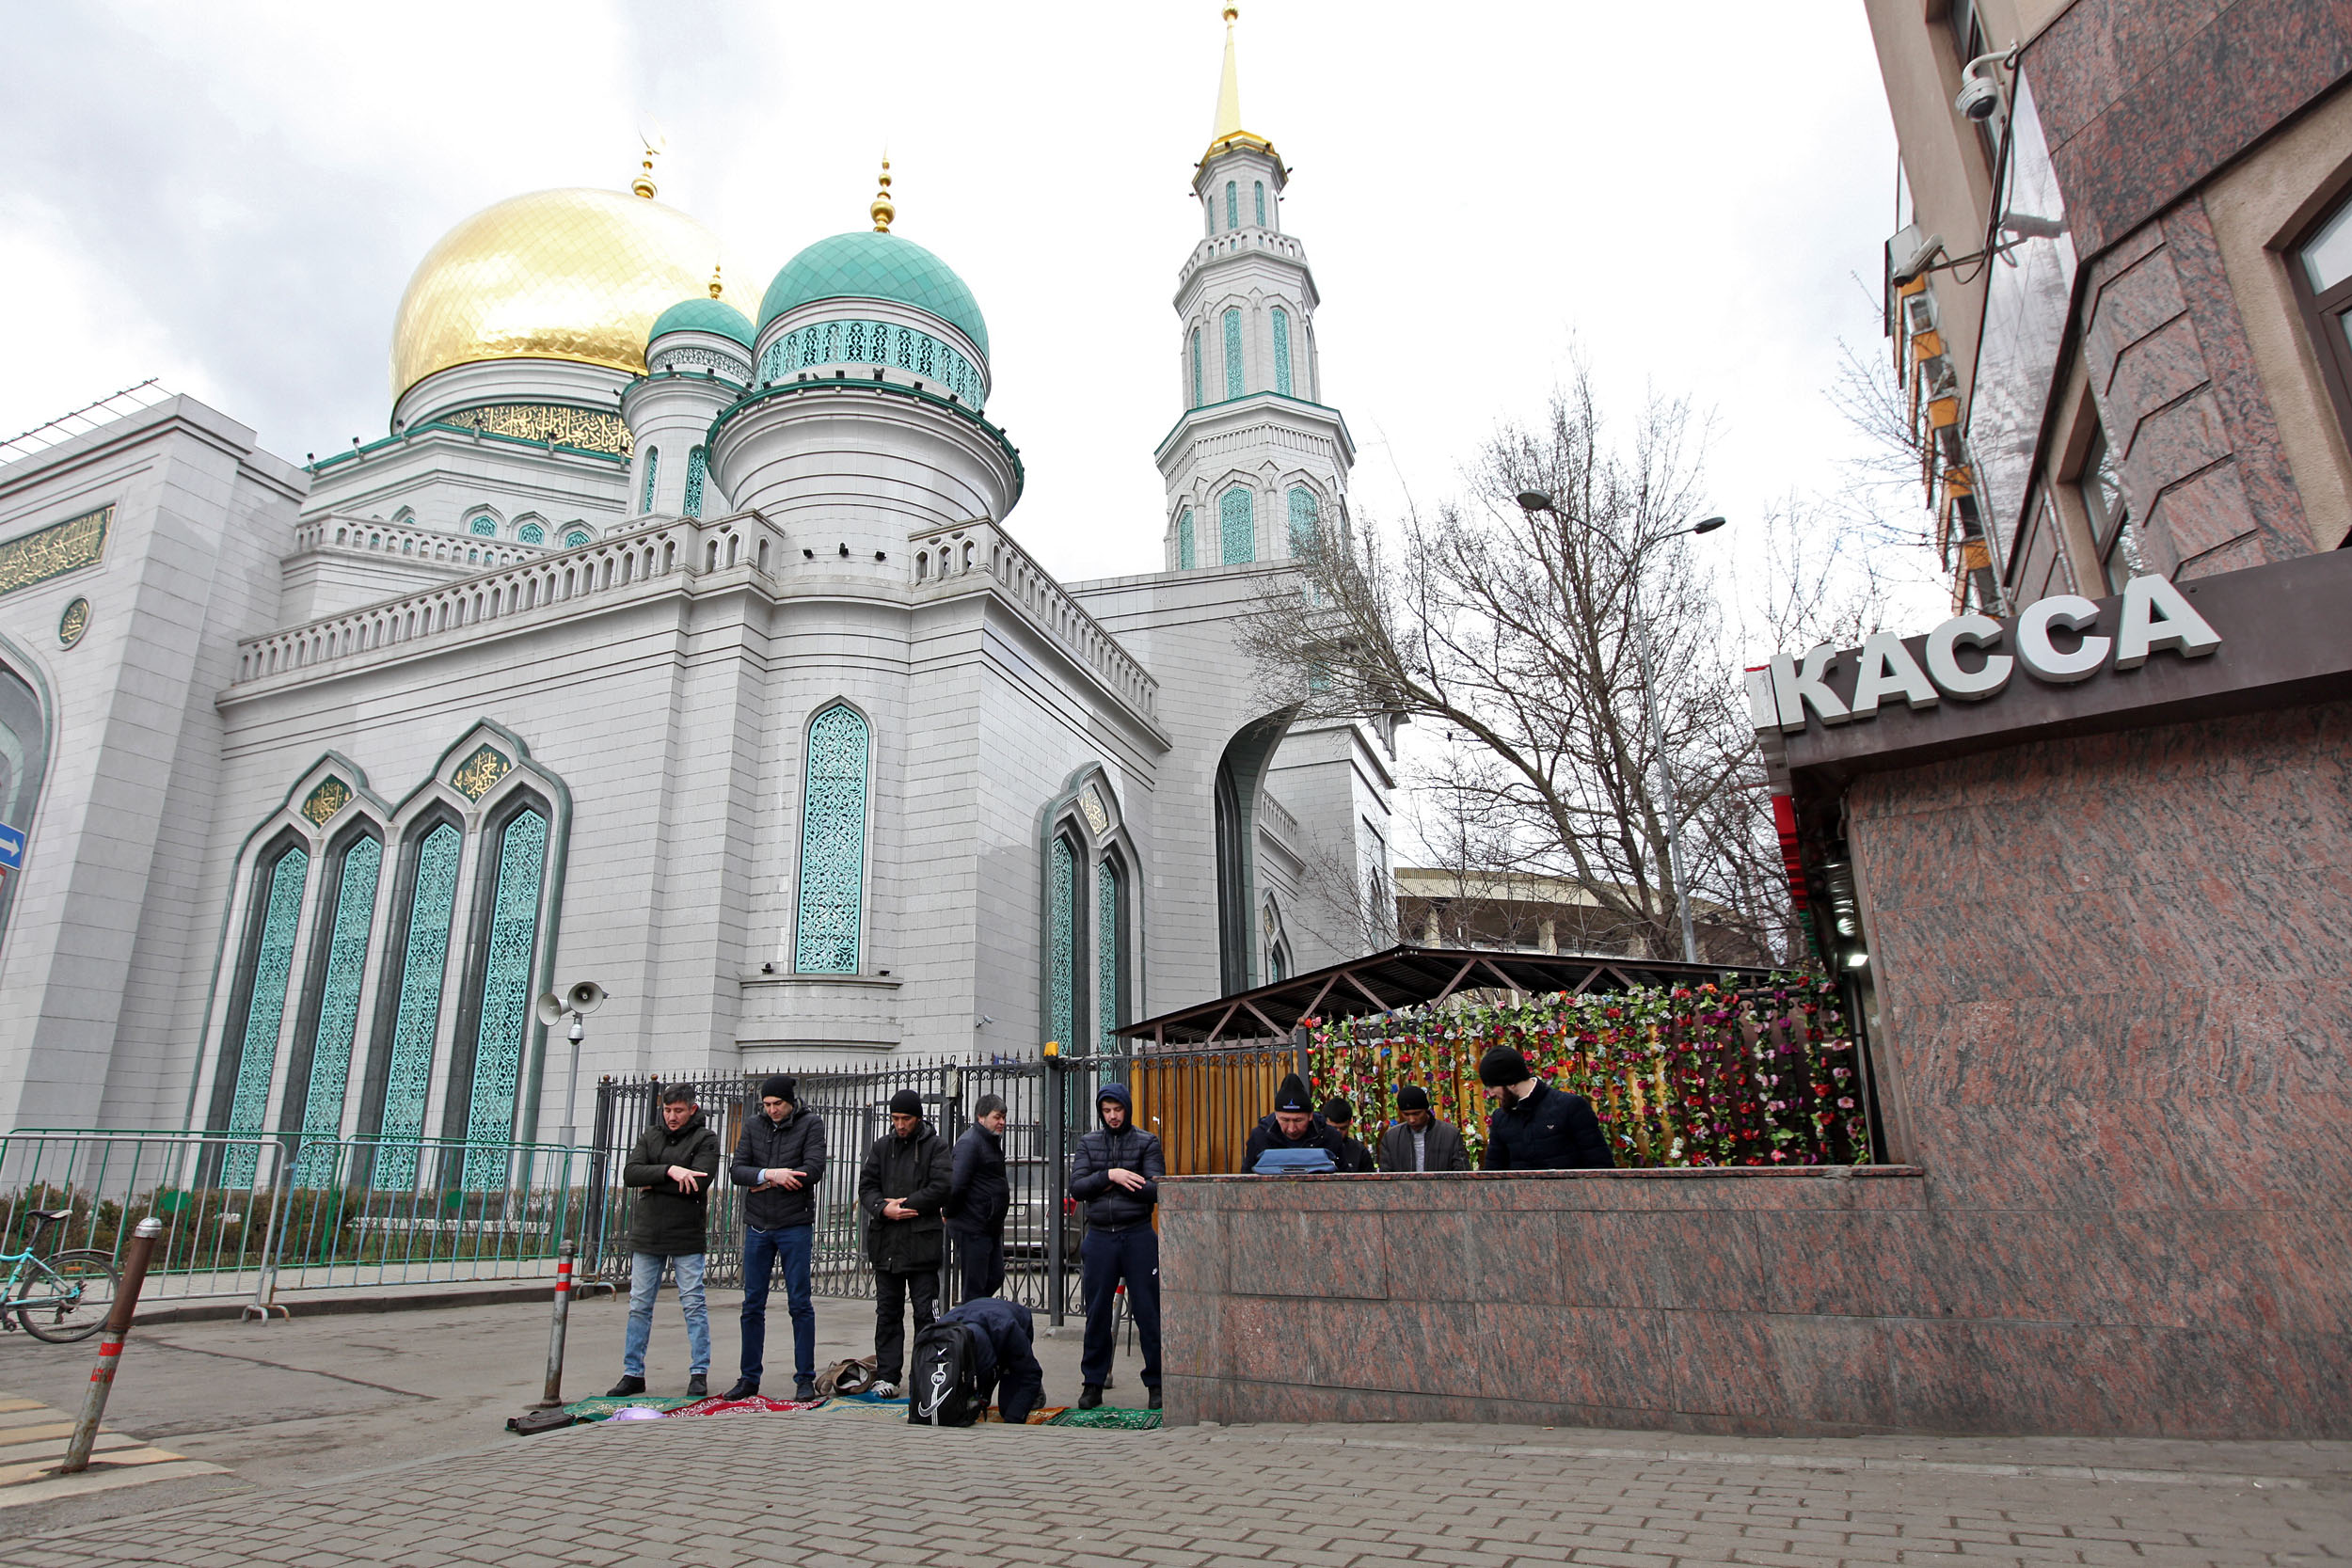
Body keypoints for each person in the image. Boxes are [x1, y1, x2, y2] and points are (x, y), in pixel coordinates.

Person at [610, 1084, 720, 1398]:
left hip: (686, 1233)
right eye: (668, 1110)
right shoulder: (650, 1136)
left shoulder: (706, 1139)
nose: (672, 1117)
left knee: (693, 1303)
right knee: (639, 1305)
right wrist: (671, 1171)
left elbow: (699, 1182)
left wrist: (653, 1182)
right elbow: (631, 1174)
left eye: (679, 1111)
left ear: (692, 1110)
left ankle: (699, 1372)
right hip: (648, 1235)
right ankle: (633, 1373)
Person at [723, 1074, 827, 1402]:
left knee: (799, 1303)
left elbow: (812, 1170)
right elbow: (737, 1169)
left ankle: (804, 1379)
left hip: (794, 1224)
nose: (772, 1110)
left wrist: (763, 1180)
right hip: (757, 1226)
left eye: (777, 1104)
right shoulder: (754, 1125)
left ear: (790, 1102)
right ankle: (748, 1377)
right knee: (752, 1304)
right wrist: (771, 1175)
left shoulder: (811, 1124)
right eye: (767, 1105)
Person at [1066, 1083, 1164, 1412]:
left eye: (1117, 1110)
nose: (1112, 1117)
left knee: (1149, 1313)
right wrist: (1112, 1174)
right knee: (1096, 1313)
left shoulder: (1147, 1141)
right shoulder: (1088, 1143)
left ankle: (1157, 1383)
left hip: (1137, 1234)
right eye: (1106, 1111)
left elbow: (1155, 1188)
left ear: (1127, 1109)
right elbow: (1077, 1188)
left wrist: (1120, 1181)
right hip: (1100, 1237)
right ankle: (1093, 1382)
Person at [858, 1087, 950, 1398]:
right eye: (895, 1118)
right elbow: (867, 1185)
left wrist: (906, 1203)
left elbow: (942, 1186)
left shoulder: (935, 1147)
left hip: (921, 1246)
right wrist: (883, 1208)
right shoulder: (882, 1147)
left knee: (926, 1313)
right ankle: (887, 1375)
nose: (900, 1125)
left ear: (918, 1118)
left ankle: (927, 1374)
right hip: (887, 1245)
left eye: (906, 1119)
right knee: (888, 1313)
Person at [1478, 1046, 1613, 1169]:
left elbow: (1600, 1165)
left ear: (1511, 1082)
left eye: (1492, 1087)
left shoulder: (1570, 1107)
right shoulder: (1501, 1118)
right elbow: (1493, 1175)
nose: (1490, 1094)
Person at [930, 1294, 1046, 1424]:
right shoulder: (944, 1334)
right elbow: (922, 1371)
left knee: (1009, 1408)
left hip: (1009, 1324)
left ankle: (1035, 1393)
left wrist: (1013, 1423)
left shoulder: (1011, 1332)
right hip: (977, 1319)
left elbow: (1033, 1374)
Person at [946, 1093, 1010, 1302]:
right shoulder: (970, 1143)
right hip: (972, 1226)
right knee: (975, 1286)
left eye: (1003, 1117)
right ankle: (969, 1326)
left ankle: (974, 1317)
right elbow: (956, 1185)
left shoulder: (991, 1142)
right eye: (997, 1117)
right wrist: (948, 1212)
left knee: (995, 1276)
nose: (1001, 1122)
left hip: (989, 1226)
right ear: (980, 1117)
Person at [1241, 1073, 1348, 1171]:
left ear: (1310, 1116)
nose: (1292, 1129)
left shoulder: (1330, 1136)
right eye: (1285, 1120)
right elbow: (1245, 1180)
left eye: (1298, 1120)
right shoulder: (1259, 1136)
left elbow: (1345, 1178)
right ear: (1276, 1115)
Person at [1375, 1084, 1471, 1172]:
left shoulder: (1450, 1134)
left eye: (1416, 1113)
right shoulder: (1391, 1138)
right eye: (1406, 1114)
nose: (1412, 1119)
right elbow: (1386, 1177)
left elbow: (1462, 1174)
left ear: (1426, 1110)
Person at [1319, 1097, 1375, 1173]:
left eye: (1343, 1128)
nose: (1338, 1133)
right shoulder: (1315, 1149)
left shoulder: (1359, 1152)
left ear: (1349, 1124)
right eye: (1333, 1128)